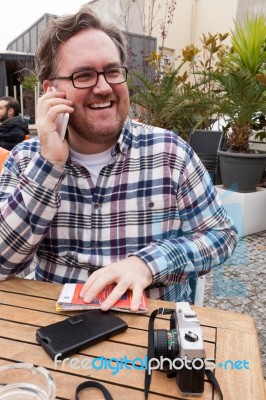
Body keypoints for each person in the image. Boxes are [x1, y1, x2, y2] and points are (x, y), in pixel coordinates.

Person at [0, 5, 237, 311]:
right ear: (51, 90)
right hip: (52, 333)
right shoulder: (25, 159)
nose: (103, 87)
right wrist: (49, 165)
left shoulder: (170, 153)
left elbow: (222, 236)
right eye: (83, 75)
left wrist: (148, 264)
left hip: (150, 332)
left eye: (112, 71)